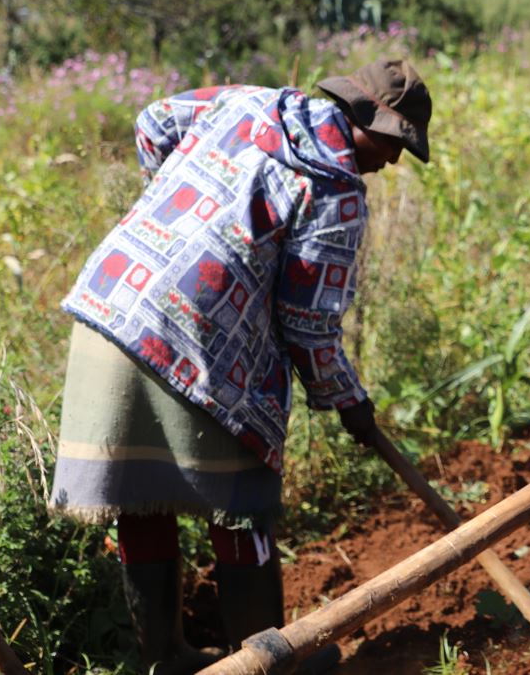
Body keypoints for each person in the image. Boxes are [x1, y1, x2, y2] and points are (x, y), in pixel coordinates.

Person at [49, 58, 432, 674]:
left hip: (112, 305)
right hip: (196, 344)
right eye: (392, 143)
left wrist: (178, 216)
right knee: (242, 503)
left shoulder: (252, 104)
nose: (392, 160)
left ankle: (168, 660)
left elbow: (154, 121)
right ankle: (269, 666)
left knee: (142, 503)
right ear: (363, 118)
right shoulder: (334, 192)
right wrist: (348, 402)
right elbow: (308, 325)